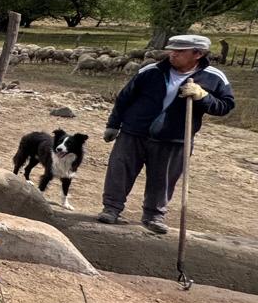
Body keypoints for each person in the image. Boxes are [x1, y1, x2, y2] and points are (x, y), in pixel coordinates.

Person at [99, 34, 235, 233]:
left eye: (180, 51)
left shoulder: (214, 77)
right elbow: (124, 98)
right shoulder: (151, 71)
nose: (173, 54)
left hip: (174, 138)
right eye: (172, 49)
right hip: (134, 132)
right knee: (120, 172)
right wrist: (113, 125)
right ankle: (111, 209)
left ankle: (154, 216)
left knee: (163, 179)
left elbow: (226, 105)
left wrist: (203, 97)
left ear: (197, 54)